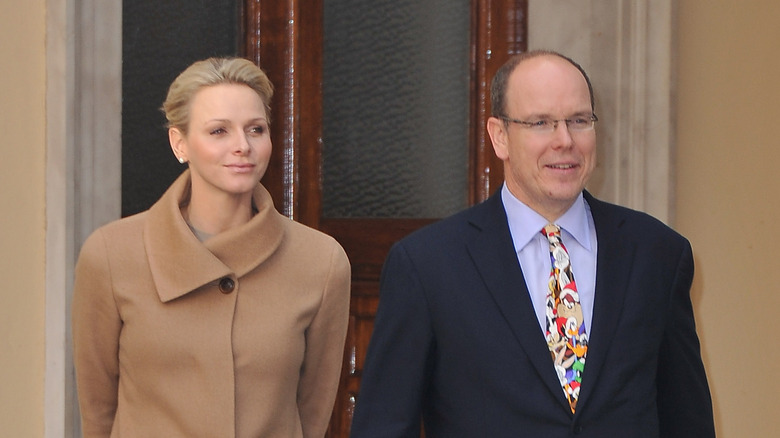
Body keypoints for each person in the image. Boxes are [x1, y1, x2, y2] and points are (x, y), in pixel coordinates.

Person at [349, 50, 715, 437]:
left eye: (579, 120)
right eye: (541, 123)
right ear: (500, 136)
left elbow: (687, 420)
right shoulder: (427, 265)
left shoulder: (657, 254)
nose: (565, 141)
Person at [72, 57, 351, 438]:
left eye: (256, 129)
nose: (242, 146)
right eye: (219, 131)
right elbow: (98, 413)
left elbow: (312, 413)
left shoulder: (322, 261)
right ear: (180, 142)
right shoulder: (110, 255)